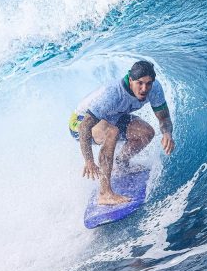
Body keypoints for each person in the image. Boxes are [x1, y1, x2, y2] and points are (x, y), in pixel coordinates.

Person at [69, 60, 175, 205]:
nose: (144, 88)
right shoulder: (113, 94)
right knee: (112, 132)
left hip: (113, 116)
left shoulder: (154, 88)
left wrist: (167, 133)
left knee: (146, 133)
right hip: (80, 123)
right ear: (130, 80)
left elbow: (163, 117)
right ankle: (104, 194)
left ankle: (121, 164)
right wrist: (88, 160)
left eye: (148, 83)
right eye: (140, 83)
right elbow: (84, 127)